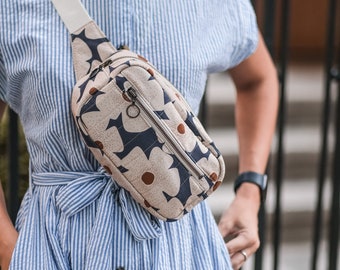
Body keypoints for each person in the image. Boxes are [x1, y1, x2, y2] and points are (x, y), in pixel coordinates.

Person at [0, 0, 278, 269]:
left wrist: (250, 192)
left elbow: (258, 80)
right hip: (55, 247)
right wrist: (10, 253)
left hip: (180, 250)